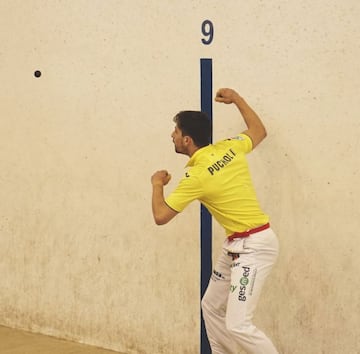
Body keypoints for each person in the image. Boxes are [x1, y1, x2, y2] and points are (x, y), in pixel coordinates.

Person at [151, 88, 279, 354]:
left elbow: (161, 216)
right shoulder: (229, 147)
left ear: (186, 140)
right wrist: (237, 99)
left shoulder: (196, 176)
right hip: (237, 244)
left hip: (254, 247)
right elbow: (259, 131)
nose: (171, 136)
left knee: (238, 325)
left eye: (175, 131)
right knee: (210, 306)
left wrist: (156, 185)